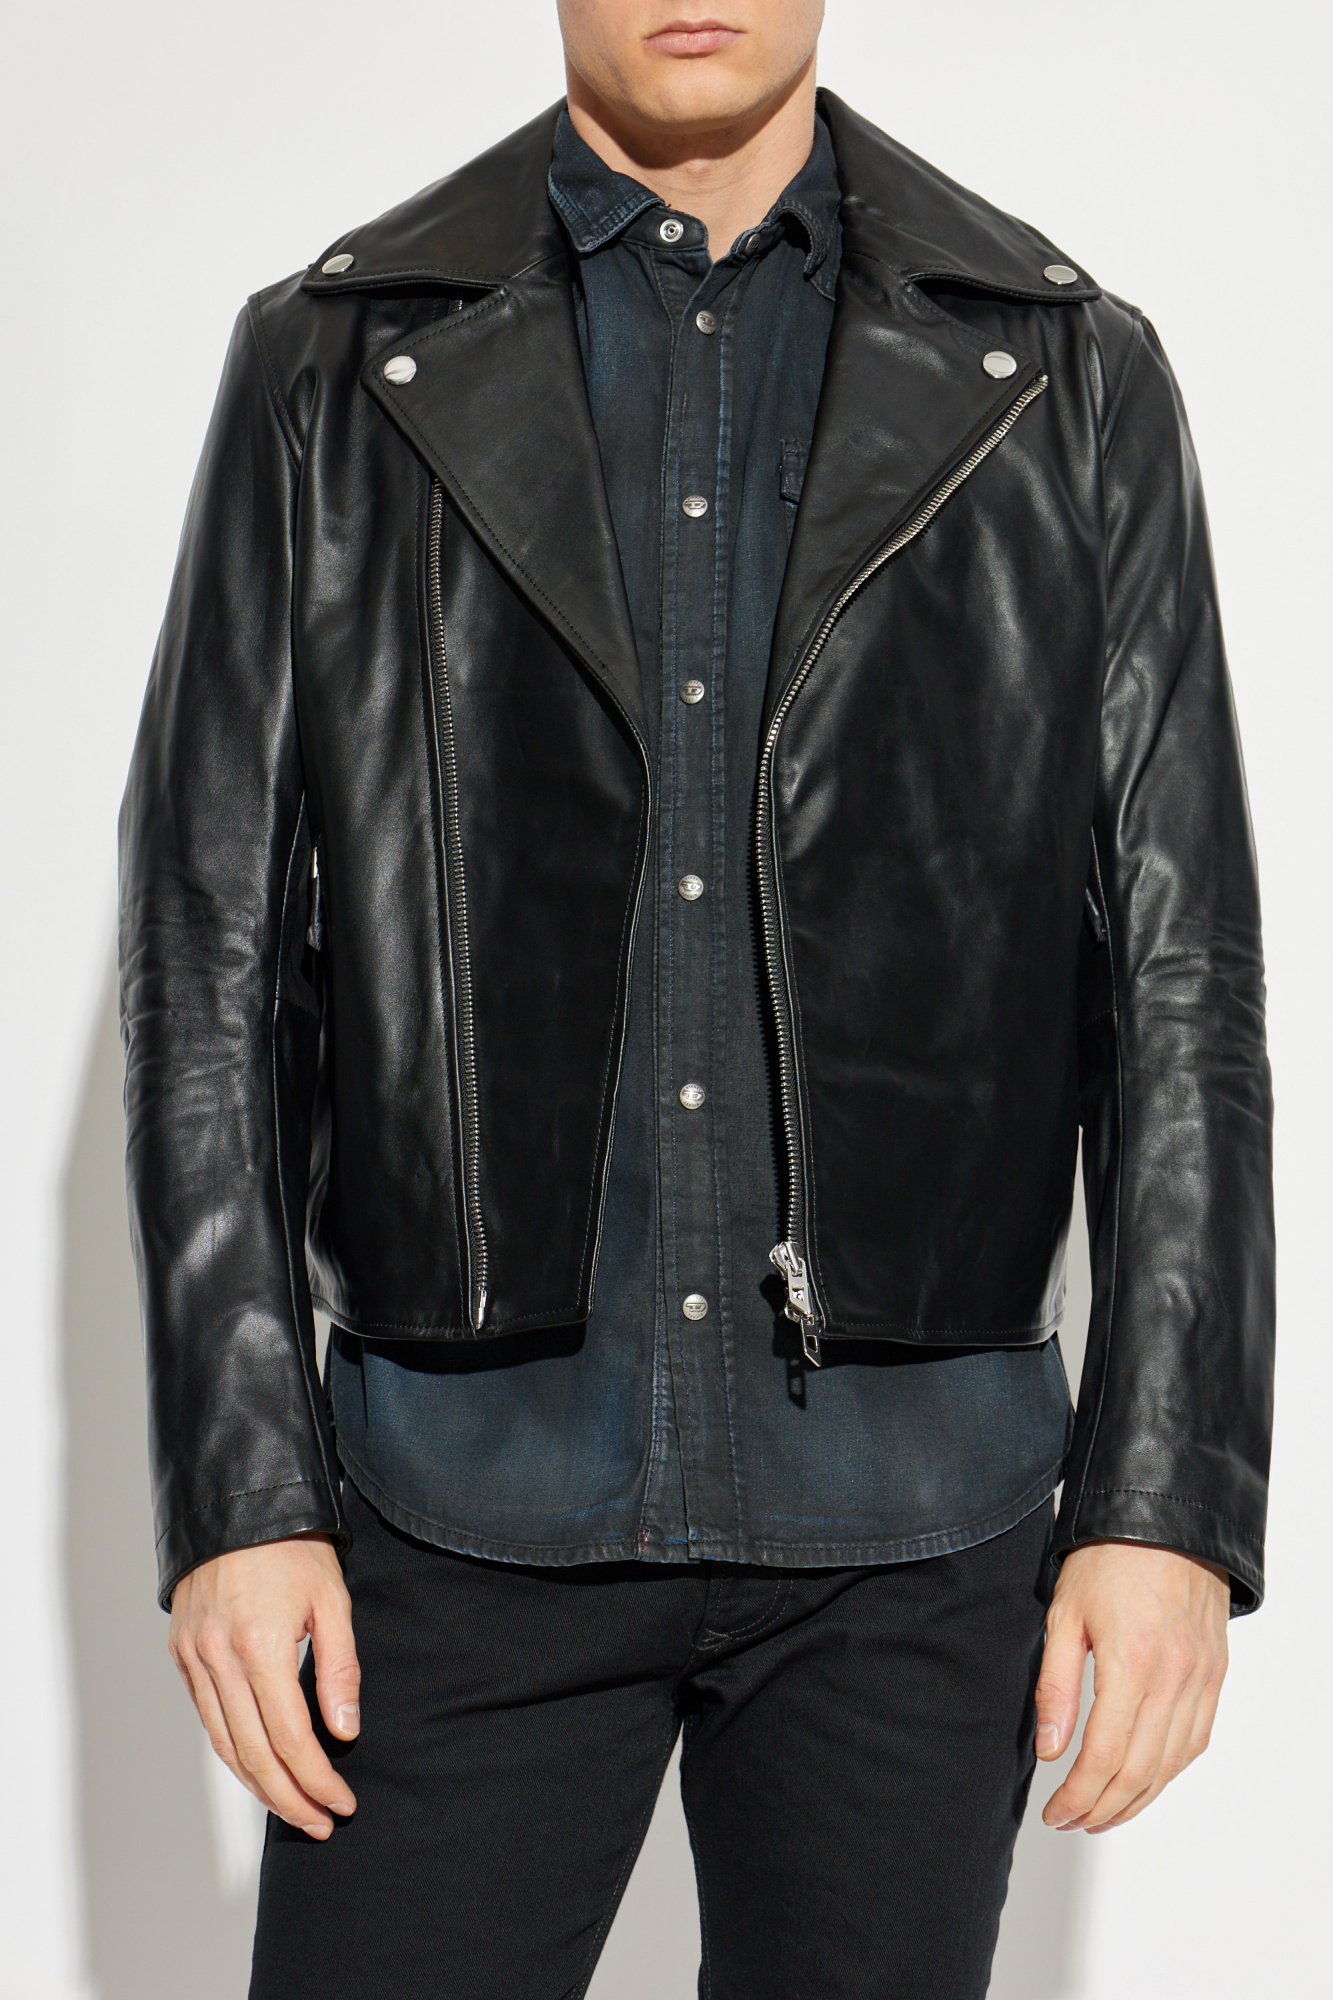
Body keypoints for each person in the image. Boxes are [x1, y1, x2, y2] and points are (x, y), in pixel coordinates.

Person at [117, 3, 1275, 1994]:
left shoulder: (1062, 367)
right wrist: (240, 1496)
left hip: (915, 1525)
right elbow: (206, 945)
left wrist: (1162, 1504)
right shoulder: (335, 356)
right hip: (457, 1505)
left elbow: (1183, 975)